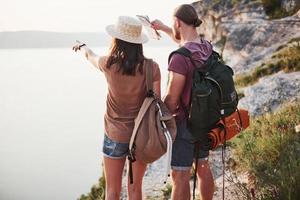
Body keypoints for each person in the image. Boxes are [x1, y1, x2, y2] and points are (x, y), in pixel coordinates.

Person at [72, 16, 161, 200]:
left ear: (116, 39)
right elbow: (157, 103)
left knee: (112, 191)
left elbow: (90, 56)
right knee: (135, 189)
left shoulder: (108, 64)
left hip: (114, 134)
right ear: (138, 43)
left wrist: (82, 47)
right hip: (141, 136)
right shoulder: (152, 67)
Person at [152, 4, 215, 200]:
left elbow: (172, 98)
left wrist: (160, 119)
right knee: (203, 167)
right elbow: (184, 41)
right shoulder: (206, 46)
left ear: (178, 22)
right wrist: (163, 27)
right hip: (205, 119)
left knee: (180, 176)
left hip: (184, 123)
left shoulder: (179, 58)